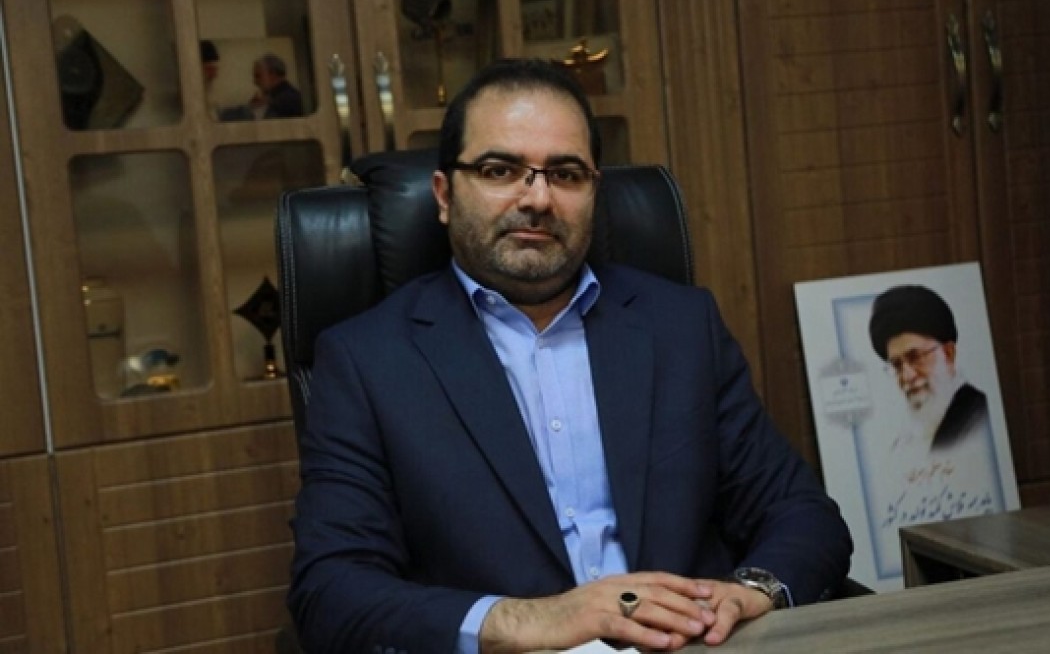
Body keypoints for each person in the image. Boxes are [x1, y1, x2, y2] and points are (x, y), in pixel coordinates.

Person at [288, 58, 852, 654]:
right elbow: (332, 590)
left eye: (566, 174)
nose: (538, 198)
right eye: (500, 170)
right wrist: (534, 620)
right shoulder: (368, 361)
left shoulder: (680, 327)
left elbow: (801, 513)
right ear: (444, 195)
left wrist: (750, 592)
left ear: (594, 194)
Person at [868, 284, 990, 453]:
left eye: (915, 357)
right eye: (897, 365)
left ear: (948, 354)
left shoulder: (979, 419)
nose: (907, 376)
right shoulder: (905, 441)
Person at [250, 53, 302, 118]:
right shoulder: (286, 97)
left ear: (273, 74)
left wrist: (258, 110)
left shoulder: (286, 101)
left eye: (258, 76)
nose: (255, 82)